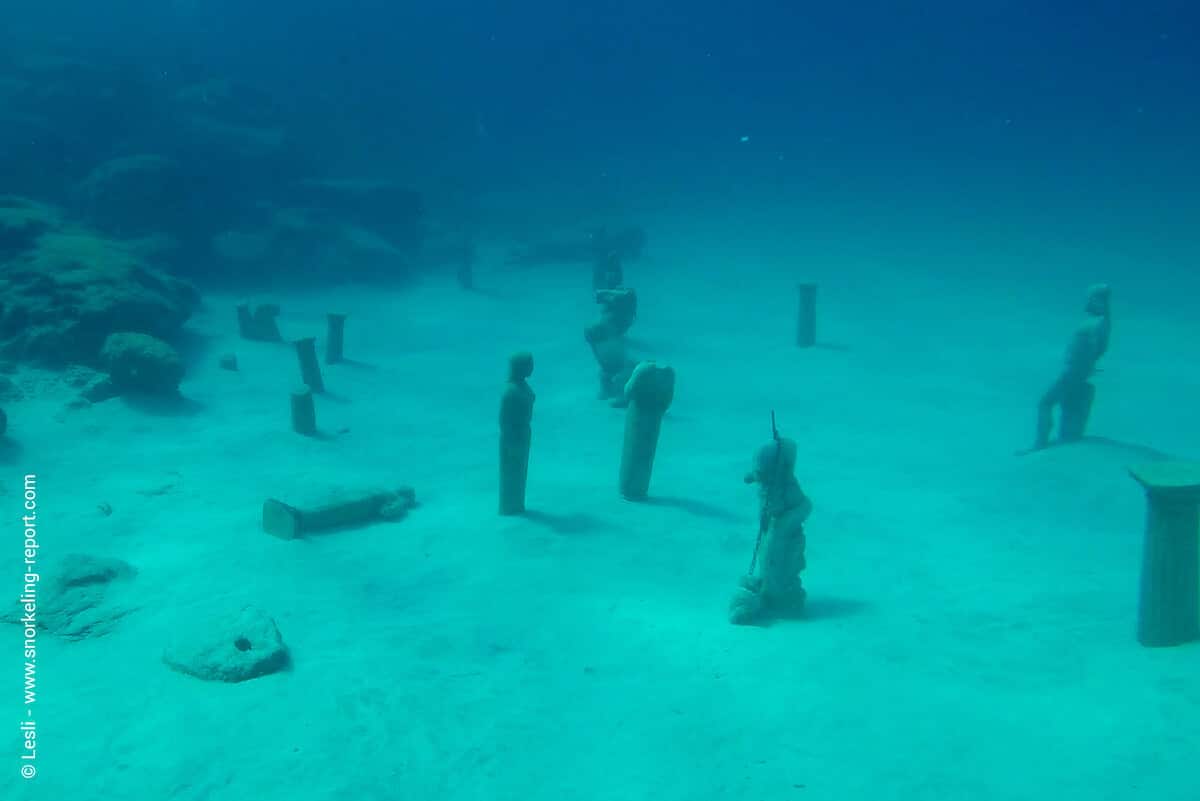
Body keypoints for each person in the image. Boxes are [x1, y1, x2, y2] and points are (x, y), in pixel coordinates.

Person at [729, 424, 812, 625]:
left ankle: (783, 599)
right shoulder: (768, 483)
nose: (761, 479)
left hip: (784, 536)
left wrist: (785, 523)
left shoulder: (790, 489)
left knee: (779, 566)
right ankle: (768, 591)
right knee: (765, 559)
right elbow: (758, 474)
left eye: (764, 474)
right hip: (769, 528)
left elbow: (805, 506)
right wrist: (754, 476)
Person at [1033, 284, 1111, 450]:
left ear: (1098, 300)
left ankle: (1040, 444)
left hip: (1072, 372)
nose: (1087, 303)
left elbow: (1094, 348)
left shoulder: (1097, 323)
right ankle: (1061, 440)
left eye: (1090, 299)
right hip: (1077, 371)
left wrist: (1084, 367)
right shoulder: (1099, 322)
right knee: (1063, 405)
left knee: (1045, 403)